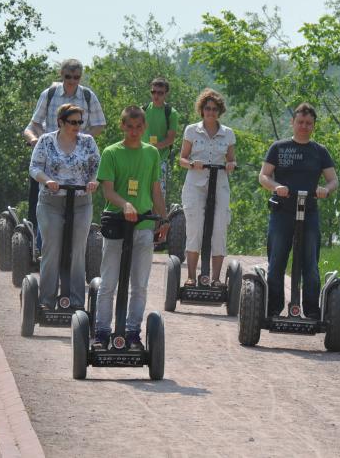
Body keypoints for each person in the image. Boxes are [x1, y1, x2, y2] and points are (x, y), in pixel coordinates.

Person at [93, 106, 170, 350]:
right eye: (129, 126)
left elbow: (155, 189)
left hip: (144, 224)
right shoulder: (111, 152)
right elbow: (107, 190)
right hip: (116, 223)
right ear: (122, 126)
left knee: (140, 283)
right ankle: (103, 332)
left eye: (138, 127)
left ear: (144, 127)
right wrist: (125, 204)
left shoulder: (151, 154)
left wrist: (164, 220)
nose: (134, 131)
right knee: (108, 282)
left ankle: (133, 332)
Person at [259, 102, 339, 319]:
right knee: (276, 262)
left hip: (309, 211)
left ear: (313, 126)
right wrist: (277, 187)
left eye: (308, 123)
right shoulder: (279, 147)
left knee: (310, 265)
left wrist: (325, 190)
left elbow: (333, 180)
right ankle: (273, 308)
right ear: (292, 123)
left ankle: (312, 311)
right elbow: (264, 176)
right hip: (282, 211)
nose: (304, 126)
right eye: (300, 122)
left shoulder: (319, 151)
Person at [29, 104, 100, 310]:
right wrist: (47, 180)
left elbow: (97, 166)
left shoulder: (88, 142)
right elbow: (34, 167)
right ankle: (47, 301)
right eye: (73, 122)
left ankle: (76, 302)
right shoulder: (46, 141)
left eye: (80, 122)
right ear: (61, 122)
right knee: (52, 248)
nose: (77, 126)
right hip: (52, 202)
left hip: (80, 201)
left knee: (78, 250)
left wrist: (93, 181)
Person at [24, 58, 106, 233]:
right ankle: (39, 241)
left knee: (80, 201)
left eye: (76, 77)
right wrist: (41, 140)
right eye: (68, 76)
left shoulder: (87, 96)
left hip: (77, 159)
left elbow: (99, 124)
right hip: (50, 158)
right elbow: (35, 123)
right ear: (62, 75)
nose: (72, 81)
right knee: (40, 201)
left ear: (80, 78)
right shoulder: (50, 93)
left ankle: (78, 245)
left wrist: (81, 139)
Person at [179, 88, 236, 287]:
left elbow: (231, 160)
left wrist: (231, 165)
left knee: (219, 228)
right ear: (202, 110)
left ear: (219, 111)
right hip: (196, 183)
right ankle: (192, 276)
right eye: (207, 108)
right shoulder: (191, 130)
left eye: (214, 109)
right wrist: (192, 164)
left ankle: (216, 279)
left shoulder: (228, 133)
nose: (211, 112)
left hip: (219, 183)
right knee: (195, 228)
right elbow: (182, 159)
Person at [142, 77, 179, 198]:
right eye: (153, 92)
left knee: (158, 195)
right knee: (140, 193)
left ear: (166, 94)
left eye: (160, 93)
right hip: (141, 157)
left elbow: (170, 139)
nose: (156, 95)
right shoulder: (143, 110)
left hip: (160, 160)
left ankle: (157, 217)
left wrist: (154, 147)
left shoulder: (171, 113)